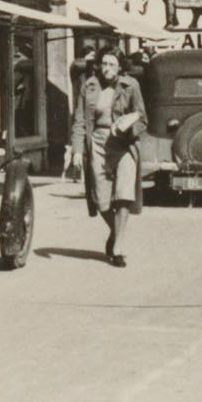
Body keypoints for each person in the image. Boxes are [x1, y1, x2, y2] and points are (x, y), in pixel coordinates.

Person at [69, 49, 147, 268]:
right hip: (99, 143)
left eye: (112, 64)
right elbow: (79, 120)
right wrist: (76, 150)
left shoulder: (131, 86)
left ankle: (118, 248)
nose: (107, 68)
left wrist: (128, 127)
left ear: (120, 67)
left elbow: (143, 118)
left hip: (125, 144)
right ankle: (115, 232)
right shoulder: (89, 85)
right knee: (101, 200)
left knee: (124, 195)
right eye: (104, 64)